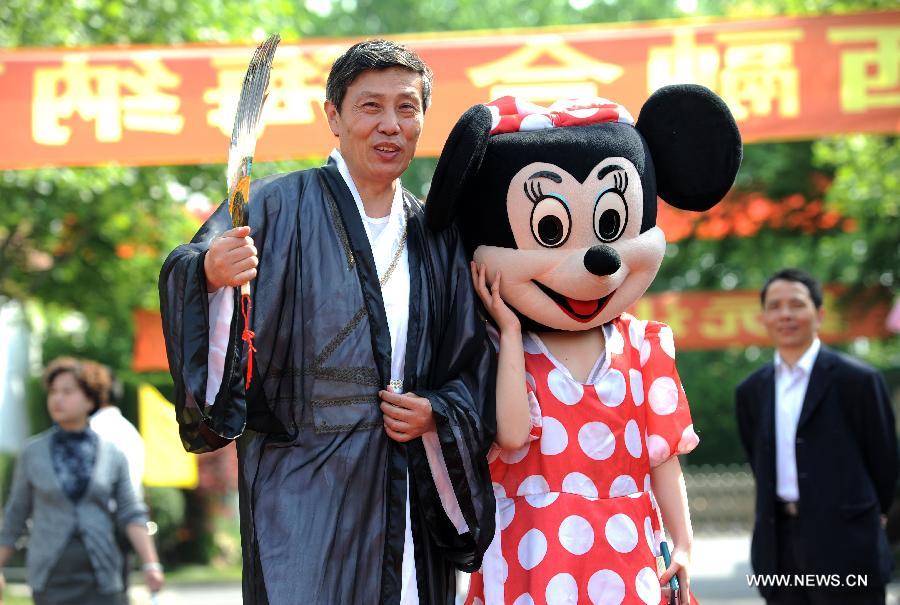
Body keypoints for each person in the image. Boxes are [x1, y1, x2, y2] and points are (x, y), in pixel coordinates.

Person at [158, 40, 496, 605]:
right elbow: (185, 271)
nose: (390, 124)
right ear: (334, 117)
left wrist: (436, 413)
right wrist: (210, 276)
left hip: (405, 482)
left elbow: (468, 361)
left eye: (407, 108)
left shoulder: (436, 234)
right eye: (370, 107)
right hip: (300, 483)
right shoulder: (273, 206)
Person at [424, 86, 742, 604]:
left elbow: (663, 459)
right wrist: (506, 330)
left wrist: (682, 543)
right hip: (530, 550)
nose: (595, 260)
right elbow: (511, 435)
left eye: (610, 225)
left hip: (628, 553)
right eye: (552, 230)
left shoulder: (644, 347)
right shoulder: (499, 347)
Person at [735, 268, 898, 604]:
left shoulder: (858, 381)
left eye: (796, 304)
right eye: (775, 306)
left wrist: (862, 515)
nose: (785, 314)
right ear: (763, 317)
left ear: (819, 314)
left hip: (847, 539)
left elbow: (885, 462)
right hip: (779, 543)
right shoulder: (751, 390)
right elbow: (758, 459)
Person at [0, 357, 164, 605]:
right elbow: (15, 515)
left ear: (89, 399)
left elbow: (131, 512)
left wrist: (151, 563)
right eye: (53, 392)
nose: (57, 398)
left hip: (102, 575)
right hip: (50, 576)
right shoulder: (32, 453)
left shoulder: (112, 454)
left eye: (67, 391)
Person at [89, 365, 145, 602]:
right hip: (127, 522)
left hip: (99, 522)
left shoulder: (92, 430)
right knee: (118, 590)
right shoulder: (130, 431)